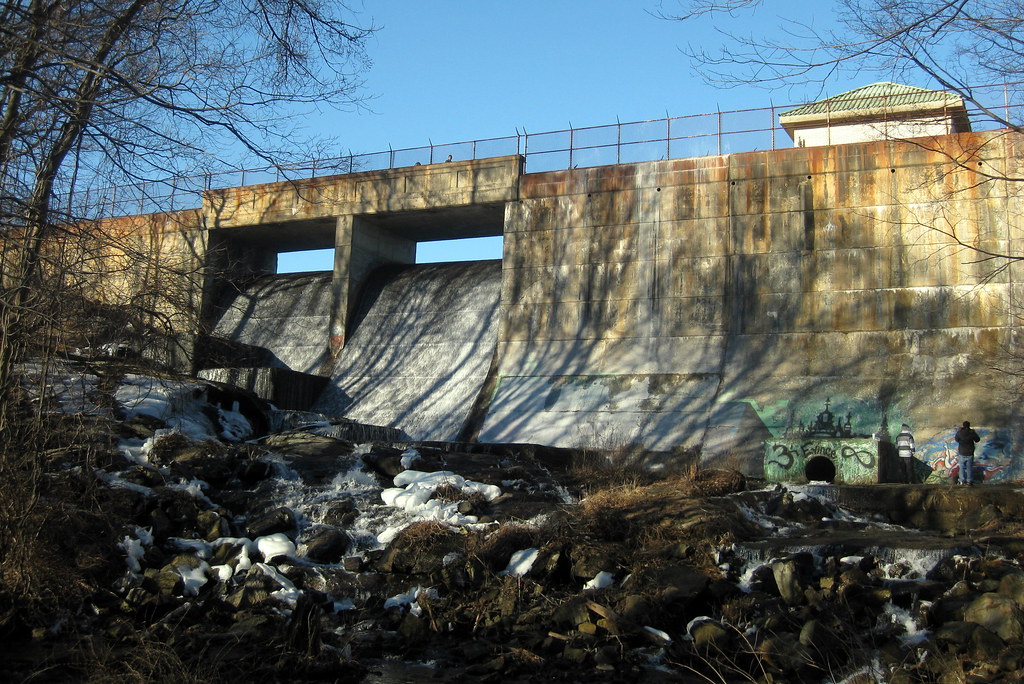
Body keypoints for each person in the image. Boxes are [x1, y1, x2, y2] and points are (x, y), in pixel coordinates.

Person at [954, 420, 981, 486]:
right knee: (969, 468)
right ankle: (969, 481)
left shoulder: (959, 432)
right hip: (970, 453)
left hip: (962, 452)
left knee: (962, 467)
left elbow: (956, 439)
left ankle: (962, 481)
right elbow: (977, 440)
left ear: (963, 425)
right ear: (969, 425)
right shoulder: (972, 433)